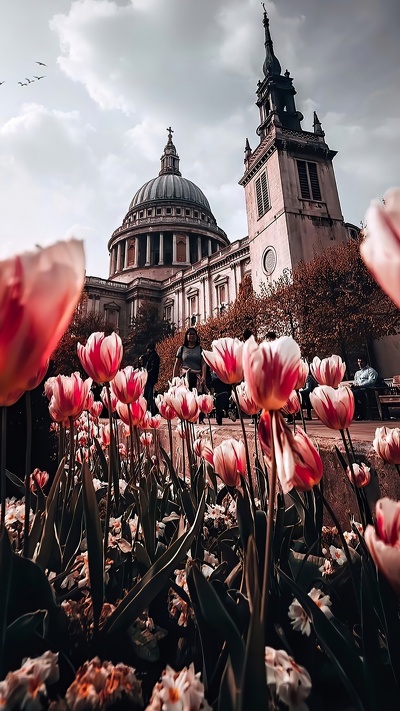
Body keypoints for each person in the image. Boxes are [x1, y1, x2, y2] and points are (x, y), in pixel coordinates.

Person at [173, 328, 207, 393]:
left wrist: (203, 377)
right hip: (184, 377)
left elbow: (203, 363)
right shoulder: (182, 349)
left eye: (193, 334)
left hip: (197, 377)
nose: (192, 336)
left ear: (196, 336)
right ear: (186, 336)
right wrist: (174, 379)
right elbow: (177, 364)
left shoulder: (200, 349)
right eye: (190, 334)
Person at [140, 341, 160, 415]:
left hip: (150, 379)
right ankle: (149, 410)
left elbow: (153, 368)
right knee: (148, 395)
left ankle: (149, 411)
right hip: (151, 379)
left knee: (148, 395)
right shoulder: (152, 356)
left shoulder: (154, 357)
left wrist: (146, 373)